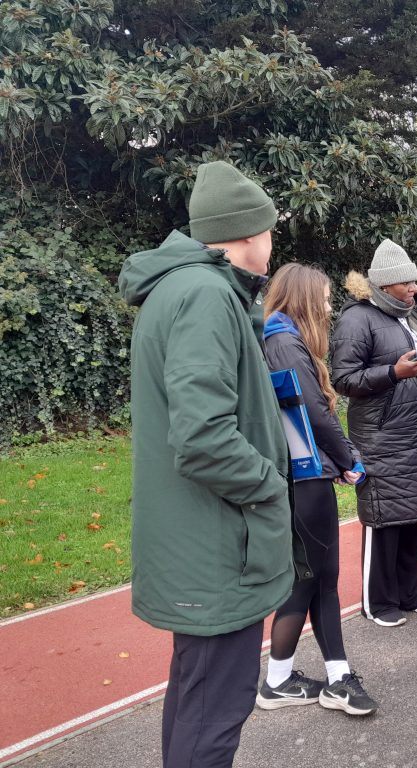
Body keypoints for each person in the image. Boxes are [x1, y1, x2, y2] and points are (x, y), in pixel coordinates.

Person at [118, 160, 294, 767]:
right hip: (216, 547)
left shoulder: (187, 289)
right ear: (247, 233)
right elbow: (202, 438)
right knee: (213, 713)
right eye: (268, 229)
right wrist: (270, 484)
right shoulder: (204, 294)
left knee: (198, 701)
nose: (272, 241)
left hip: (205, 542)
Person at [255, 263, 378, 716]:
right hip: (303, 479)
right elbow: (313, 413)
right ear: (305, 298)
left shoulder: (278, 336)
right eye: (324, 298)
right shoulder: (284, 340)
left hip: (303, 475)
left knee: (314, 579)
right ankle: (293, 681)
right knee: (314, 580)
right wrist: (350, 461)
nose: (328, 306)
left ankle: (313, 678)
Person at [330, 239, 417, 627]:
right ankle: (380, 602)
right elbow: (344, 379)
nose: (413, 289)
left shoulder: (409, 313)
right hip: (381, 435)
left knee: (416, 512)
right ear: (385, 285)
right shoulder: (357, 319)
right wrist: (394, 372)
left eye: (416, 282)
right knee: (386, 519)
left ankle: (412, 591)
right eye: (406, 283)